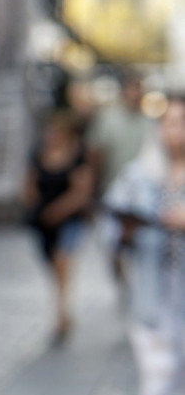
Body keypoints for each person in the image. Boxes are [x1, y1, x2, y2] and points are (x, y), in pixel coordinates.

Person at [104, 95, 185, 395]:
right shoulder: (139, 175)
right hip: (151, 296)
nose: (177, 132)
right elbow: (111, 231)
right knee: (157, 378)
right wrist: (128, 230)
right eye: (171, 123)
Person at [22, 109, 96, 345]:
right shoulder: (38, 154)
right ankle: (62, 306)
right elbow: (28, 185)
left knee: (63, 261)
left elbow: (81, 192)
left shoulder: (77, 155)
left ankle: (61, 313)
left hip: (69, 219)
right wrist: (35, 207)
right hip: (43, 221)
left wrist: (58, 211)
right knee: (52, 265)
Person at [87, 72, 154, 301]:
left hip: (141, 198)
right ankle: (123, 284)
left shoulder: (149, 123)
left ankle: (139, 289)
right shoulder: (108, 119)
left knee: (140, 246)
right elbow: (95, 154)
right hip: (111, 194)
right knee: (111, 247)